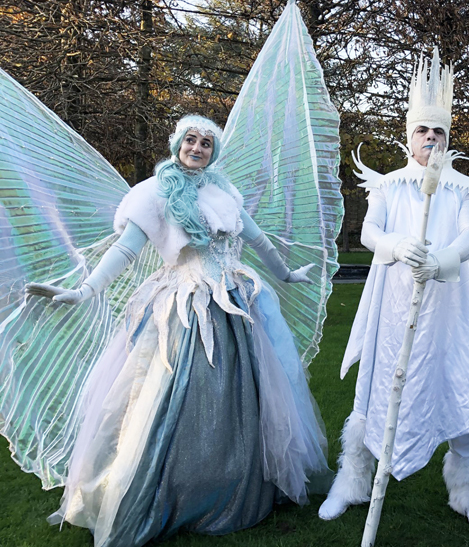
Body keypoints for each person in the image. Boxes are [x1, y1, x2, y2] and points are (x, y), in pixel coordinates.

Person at [25, 115, 331, 547]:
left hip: (235, 302)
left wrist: (285, 274)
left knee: (244, 398)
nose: (198, 147)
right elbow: (126, 250)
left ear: (213, 153)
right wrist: (85, 290)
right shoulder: (153, 193)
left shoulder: (224, 191)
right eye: (191, 139)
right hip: (188, 309)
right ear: (177, 144)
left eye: (207, 142)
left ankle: (236, 483)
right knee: (171, 396)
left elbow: (258, 240)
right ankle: (166, 489)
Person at [318, 49, 469, 529]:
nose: (431, 138)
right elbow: (369, 233)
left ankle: (465, 490)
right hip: (392, 303)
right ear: (410, 136)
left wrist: (439, 260)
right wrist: (399, 247)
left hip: (446, 307)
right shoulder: (389, 184)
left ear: (447, 137)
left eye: (438, 131)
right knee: (377, 386)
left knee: (453, 384)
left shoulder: (466, 189)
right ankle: (353, 481)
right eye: (423, 130)